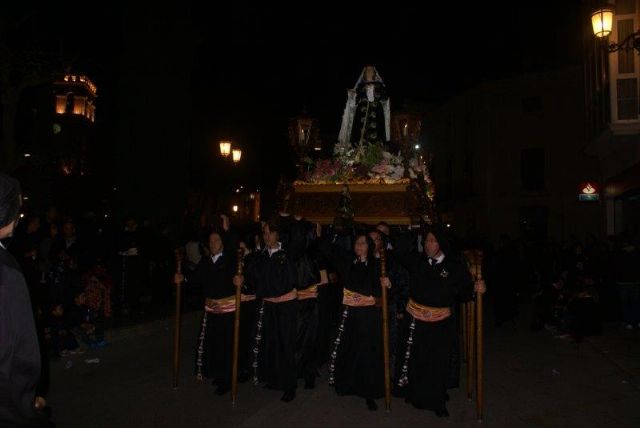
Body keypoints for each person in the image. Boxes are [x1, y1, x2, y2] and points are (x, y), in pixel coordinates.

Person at [393, 225, 486, 418]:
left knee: (438, 362)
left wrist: (477, 289)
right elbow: (400, 251)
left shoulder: (453, 266)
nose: (429, 244)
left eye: (433, 241)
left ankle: (437, 401)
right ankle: (415, 394)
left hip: (440, 323)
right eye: (426, 240)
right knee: (417, 360)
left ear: (442, 243)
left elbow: (464, 292)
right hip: (415, 321)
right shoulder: (418, 262)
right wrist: (410, 230)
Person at [318, 229, 388, 411]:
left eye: (363, 243)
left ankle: (368, 393)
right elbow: (327, 248)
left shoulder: (376, 265)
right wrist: (334, 231)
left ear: (369, 247)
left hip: (368, 318)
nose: (359, 246)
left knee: (367, 354)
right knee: (350, 349)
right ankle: (348, 384)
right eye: (357, 243)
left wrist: (387, 285)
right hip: (350, 316)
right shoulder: (347, 262)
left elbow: (383, 293)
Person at [0, 173, 47, 426]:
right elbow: (16, 352)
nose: (20, 216)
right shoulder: (6, 272)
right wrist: (26, 404)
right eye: (16, 208)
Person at [177, 217, 243, 395]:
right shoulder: (206, 262)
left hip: (228, 312)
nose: (213, 243)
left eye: (216, 240)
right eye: (211, 240)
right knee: (212, 344)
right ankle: (216, 373)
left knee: (226, 345)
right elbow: (195, 279)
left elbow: (242, 279)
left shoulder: (230, 261)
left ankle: (227, 380)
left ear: (222, 242)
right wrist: (183, 279)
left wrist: (239, 281)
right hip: (211, 312)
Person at [242, 220, 298, 402]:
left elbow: (289, 280)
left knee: (285, 344)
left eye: (269, 233)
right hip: (267, 306)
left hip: (284, 307)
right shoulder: (261, 256)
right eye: (264, 233)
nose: (266, 237)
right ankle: (274, 378)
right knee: (270, 342)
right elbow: (253, 279)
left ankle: (289, 385)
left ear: (277, 234)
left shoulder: (286, 255)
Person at [337, 65, 390, 152]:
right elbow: (356, 100)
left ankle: (376, 153)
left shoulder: (379, 85)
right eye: (367, 70)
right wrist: (352, 95)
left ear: (374, 73)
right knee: (360, 133)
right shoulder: (360, 86)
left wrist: (373, 91)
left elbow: (384, 98)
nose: (369, 72)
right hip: (362, 112)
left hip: (376, 111)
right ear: (364, 73)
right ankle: (358, 153)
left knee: (376, 134)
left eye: (371, 70)